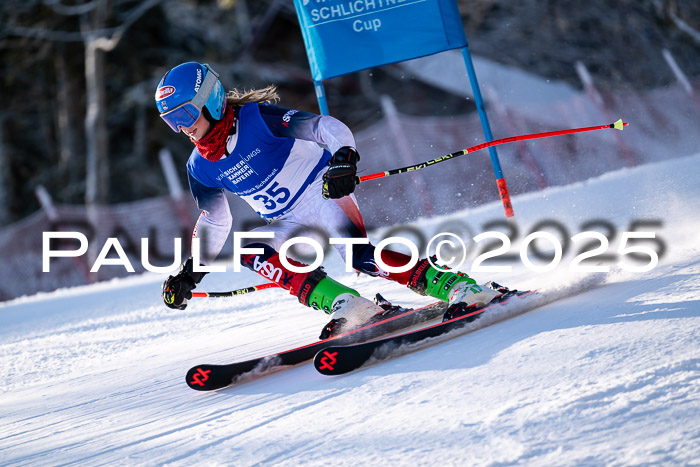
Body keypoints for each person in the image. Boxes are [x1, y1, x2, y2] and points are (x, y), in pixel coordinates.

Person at [156, 62, 502, 337]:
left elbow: (324, 127)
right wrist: (192, 271)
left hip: (323, 191)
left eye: (185, 115)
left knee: (357, 255)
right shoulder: (200, 166)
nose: (182, 127)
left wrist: (344, 157)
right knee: (252, 251)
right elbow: (216, 221)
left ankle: (460, 287)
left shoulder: (256, 119)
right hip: (291, 222)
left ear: (211, 101)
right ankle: (350, 306)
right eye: (171, 121)